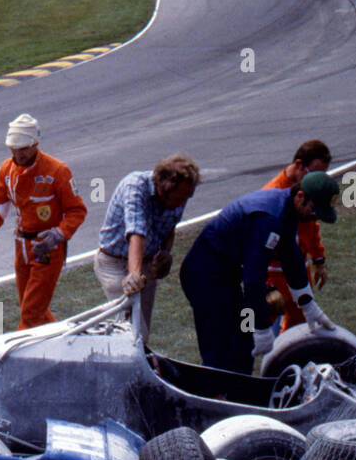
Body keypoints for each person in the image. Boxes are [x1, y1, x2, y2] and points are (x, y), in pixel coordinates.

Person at [179, 172, 341, 375]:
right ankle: (214, 395)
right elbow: (254, 278)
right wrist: (263, 326)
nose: (315, 217)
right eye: (314, 210)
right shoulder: (270, 217)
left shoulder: (288, 211)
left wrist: (307, 303)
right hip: (204, 276)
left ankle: (242, 390)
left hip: (228, 277)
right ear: (300, 196)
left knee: (245, 335)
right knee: (220, 342)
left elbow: (290, 256)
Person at [0, 113, 87, 329]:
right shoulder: (6, 170)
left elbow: (77, 210)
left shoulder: (57, 171)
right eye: (13, 149)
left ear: (35, 144)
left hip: (47, 249)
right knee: (32, 309)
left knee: (30, 314)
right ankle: (59, 341)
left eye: (23, 149)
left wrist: (58, 235)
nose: (18, 154)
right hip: (21, 247)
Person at [94, 155, 200, 339]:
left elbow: (169, 226)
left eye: (187, 197)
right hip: (114, 264)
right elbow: (136, 233)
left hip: (146, 263)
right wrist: (134, 275)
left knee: (143, 331)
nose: (183, 203)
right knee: (133, 332)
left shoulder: (181, 192)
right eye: (180, 198)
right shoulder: (134, 186)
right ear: (163, 189)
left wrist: (166, 252)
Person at [264, 139, 332, 330]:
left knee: (301, 324)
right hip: (272, 270)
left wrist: (319, 259)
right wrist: (266, 286)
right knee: (259, 325)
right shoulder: (271, 195)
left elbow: (311, 225)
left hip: (298, 266)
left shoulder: (308, 192)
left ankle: (288, 358)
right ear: (299, 166)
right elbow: (253, 250)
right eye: (315, 173)